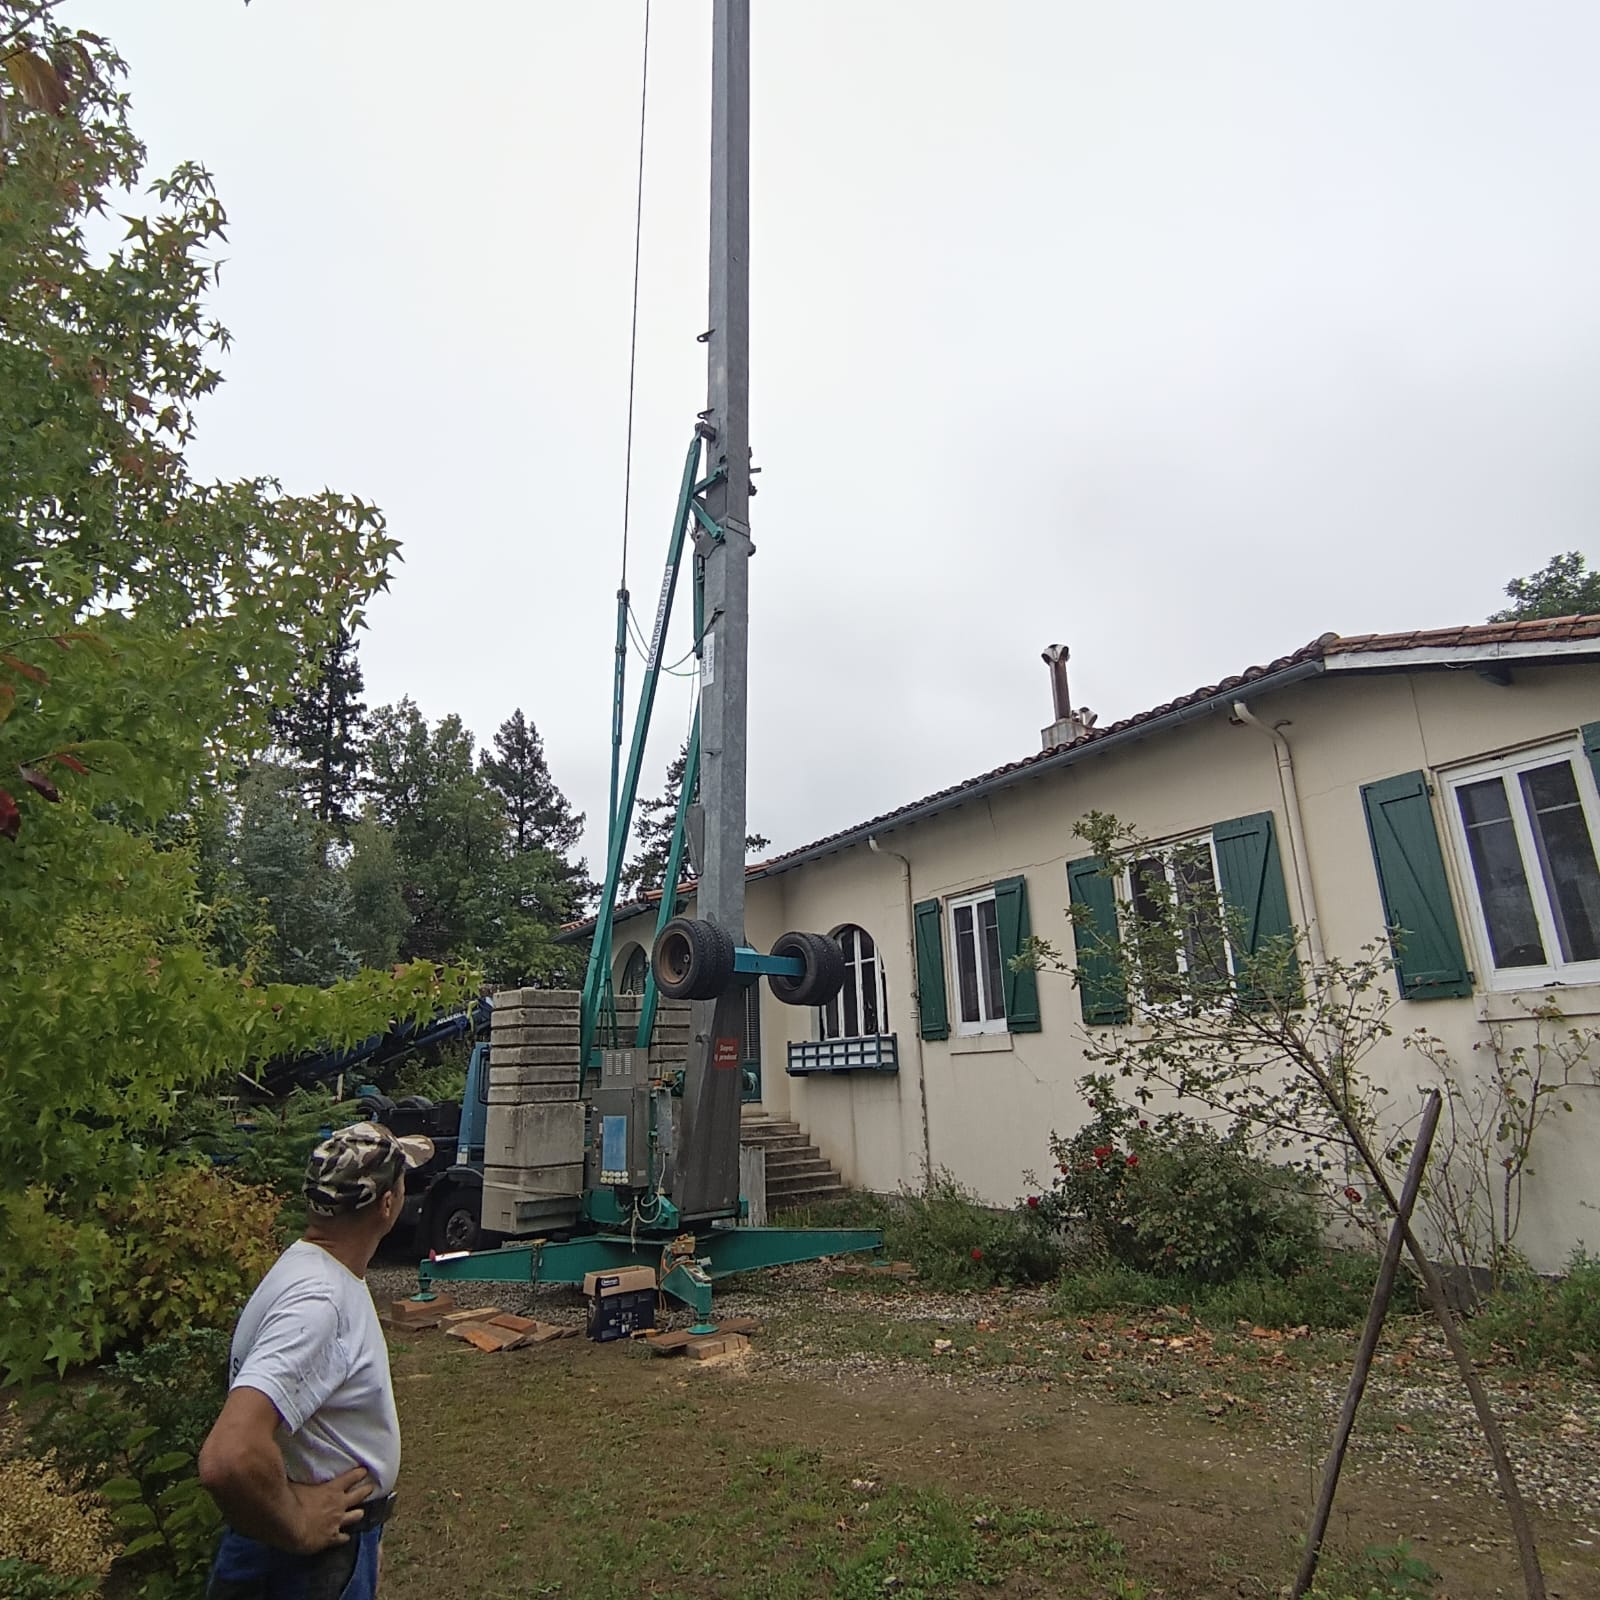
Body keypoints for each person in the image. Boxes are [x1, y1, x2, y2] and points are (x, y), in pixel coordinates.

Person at [198, 1121, 433, 1600]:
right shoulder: (319, 1302)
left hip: (322, 1548)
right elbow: (229, 1455)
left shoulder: (312, 1269)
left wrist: (368, 1535)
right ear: (387, 1204)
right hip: (301, 1565)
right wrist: (300, 1523)